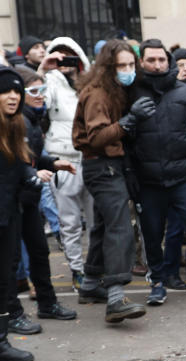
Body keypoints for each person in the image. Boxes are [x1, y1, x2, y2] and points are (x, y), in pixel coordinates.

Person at [127, 39, 186, 305]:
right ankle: (157, 281)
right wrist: (131, 173)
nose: (157, 65)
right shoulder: (131, 93)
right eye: (151, 60)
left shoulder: (184, 93)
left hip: (185, 176)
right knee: (152, 234)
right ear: (142, 62)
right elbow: (127, 139)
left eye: (161, 60)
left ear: (168, 61)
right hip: (148, 180)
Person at [0, 68, 71, 361]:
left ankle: (1, 342)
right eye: (6, 92)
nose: (13, 96)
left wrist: (41, 169)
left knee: (4, 281)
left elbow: (20, 165)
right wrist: (29, 177)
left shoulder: (15, 126)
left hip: (9, 214)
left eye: (16, 91)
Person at [71, 39, 147, 323]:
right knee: (119, 228)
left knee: (104, 226)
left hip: (106, 166)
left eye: (131, 64)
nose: (128, 70)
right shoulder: (98, 94)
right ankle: (116, 296)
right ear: (108, 67)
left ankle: (91, 284)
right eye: (122, 65)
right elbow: (97, 137)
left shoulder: (110, 90)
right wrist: (128, 122)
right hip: (101, 166)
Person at [39, 37, 94, 291]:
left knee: (96, 221)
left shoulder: (90, 83)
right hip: (63, 161)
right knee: (70, 223)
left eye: (69, 55)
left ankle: (95, 267)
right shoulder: (50, 81)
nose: (64, 61)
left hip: (92, 159)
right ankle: (77, 270)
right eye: (58, 55)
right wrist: (44, 69)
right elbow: (37, 102)